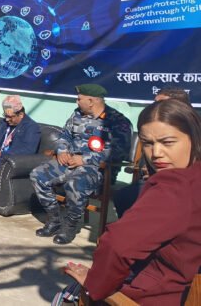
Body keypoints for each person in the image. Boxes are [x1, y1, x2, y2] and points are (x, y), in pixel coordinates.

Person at [62, 99, 201, 304]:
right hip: (185, 289)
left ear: (194, 139)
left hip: (156, 295)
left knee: (68, 295)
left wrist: (95, 283)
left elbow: (116, 246)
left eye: (168, 142)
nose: (156, 154)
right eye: (148, 143)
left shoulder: (174, 187)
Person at [30, 84, 133, 245]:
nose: (77, 102)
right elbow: (65, 135)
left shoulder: (117, 121)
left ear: (91, 101)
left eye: (79, 99)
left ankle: (70, 226)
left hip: (97, 169)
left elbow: (119, 152)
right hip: (69, 161)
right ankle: (54, 219)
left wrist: (84, 159)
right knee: (38, 175)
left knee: (74, 184)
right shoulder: (77, 114)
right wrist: (62, 150)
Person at [112, 86, 192, 218]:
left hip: (184, 184)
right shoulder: (151, 129)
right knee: (125, 196)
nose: (156, 152)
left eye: (168, 142)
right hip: (153, 181)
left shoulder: (192, 130)